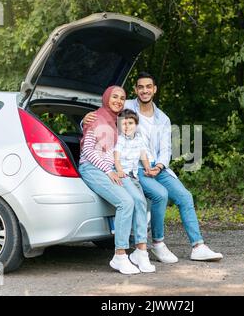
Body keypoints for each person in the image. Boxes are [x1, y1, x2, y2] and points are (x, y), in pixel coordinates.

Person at [83, 72, 223, 263]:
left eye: (148, 87)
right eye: (140, 87)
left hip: (157, 167)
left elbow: (166, 148)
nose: (145, 90)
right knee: (160, 195)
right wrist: (85, 120)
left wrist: (159, 166)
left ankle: (198, 246)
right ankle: (158, 243)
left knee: (185, 196)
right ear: (136, 90)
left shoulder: (163, 119)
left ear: (154, 89)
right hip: (135, 166)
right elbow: (105, 113)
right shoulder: (127, 105)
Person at [78, 85, 156, 275]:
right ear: (106, 98)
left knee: (140, 200)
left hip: (112, 168)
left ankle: (140, 251)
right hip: (93, 167)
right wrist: (108, 170)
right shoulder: (96, 118)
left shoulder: (118, 122)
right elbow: (88, 150)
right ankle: (119, 255)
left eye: (122, 98)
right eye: (114, 96)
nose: (118, 100)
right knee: (126, 202)